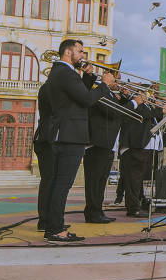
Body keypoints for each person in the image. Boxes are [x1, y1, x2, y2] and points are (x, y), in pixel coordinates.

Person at [44, 39, 114, 241]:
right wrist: (104, 85)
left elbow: (76, 97)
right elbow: (86, 100)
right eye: (80, 51)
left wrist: (89, 78)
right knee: (62, 184)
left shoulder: (61, 73)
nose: (83, 55)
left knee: (57, 183)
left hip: (65, 133)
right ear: (68, 52)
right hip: (70, 135)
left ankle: (52, 225)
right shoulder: (65, 73)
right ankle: (56, 229)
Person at [81, 66, 136, 223]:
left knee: (100, 181)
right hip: (97, 142)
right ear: (107, 76)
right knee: (94, 181)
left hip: (107, 142)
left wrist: (126, 98)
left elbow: (118, 112)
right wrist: (133, 103)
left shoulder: (109, 93)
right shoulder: (98, 89)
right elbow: (114, 112)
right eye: (116, 77)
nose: (118, 81)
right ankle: (92, 213)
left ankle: (97, 211)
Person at [118, 92, 160, 217]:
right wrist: (159, 108)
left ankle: (137, 204)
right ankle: (133, 208)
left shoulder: (145, 106)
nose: (147, 96)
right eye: (143, 94)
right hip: (133, 145)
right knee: (133, 178)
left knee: (137, 178)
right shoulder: (134, 103)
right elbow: (144, 114)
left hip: (142, 145)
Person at [34, 80, 54, 232]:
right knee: (49, 181)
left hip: (48, 138)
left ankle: (50, 219)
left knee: (52, 181)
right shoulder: (49, 88)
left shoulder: (51, 87)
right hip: (47, 139)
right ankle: (44, 220)